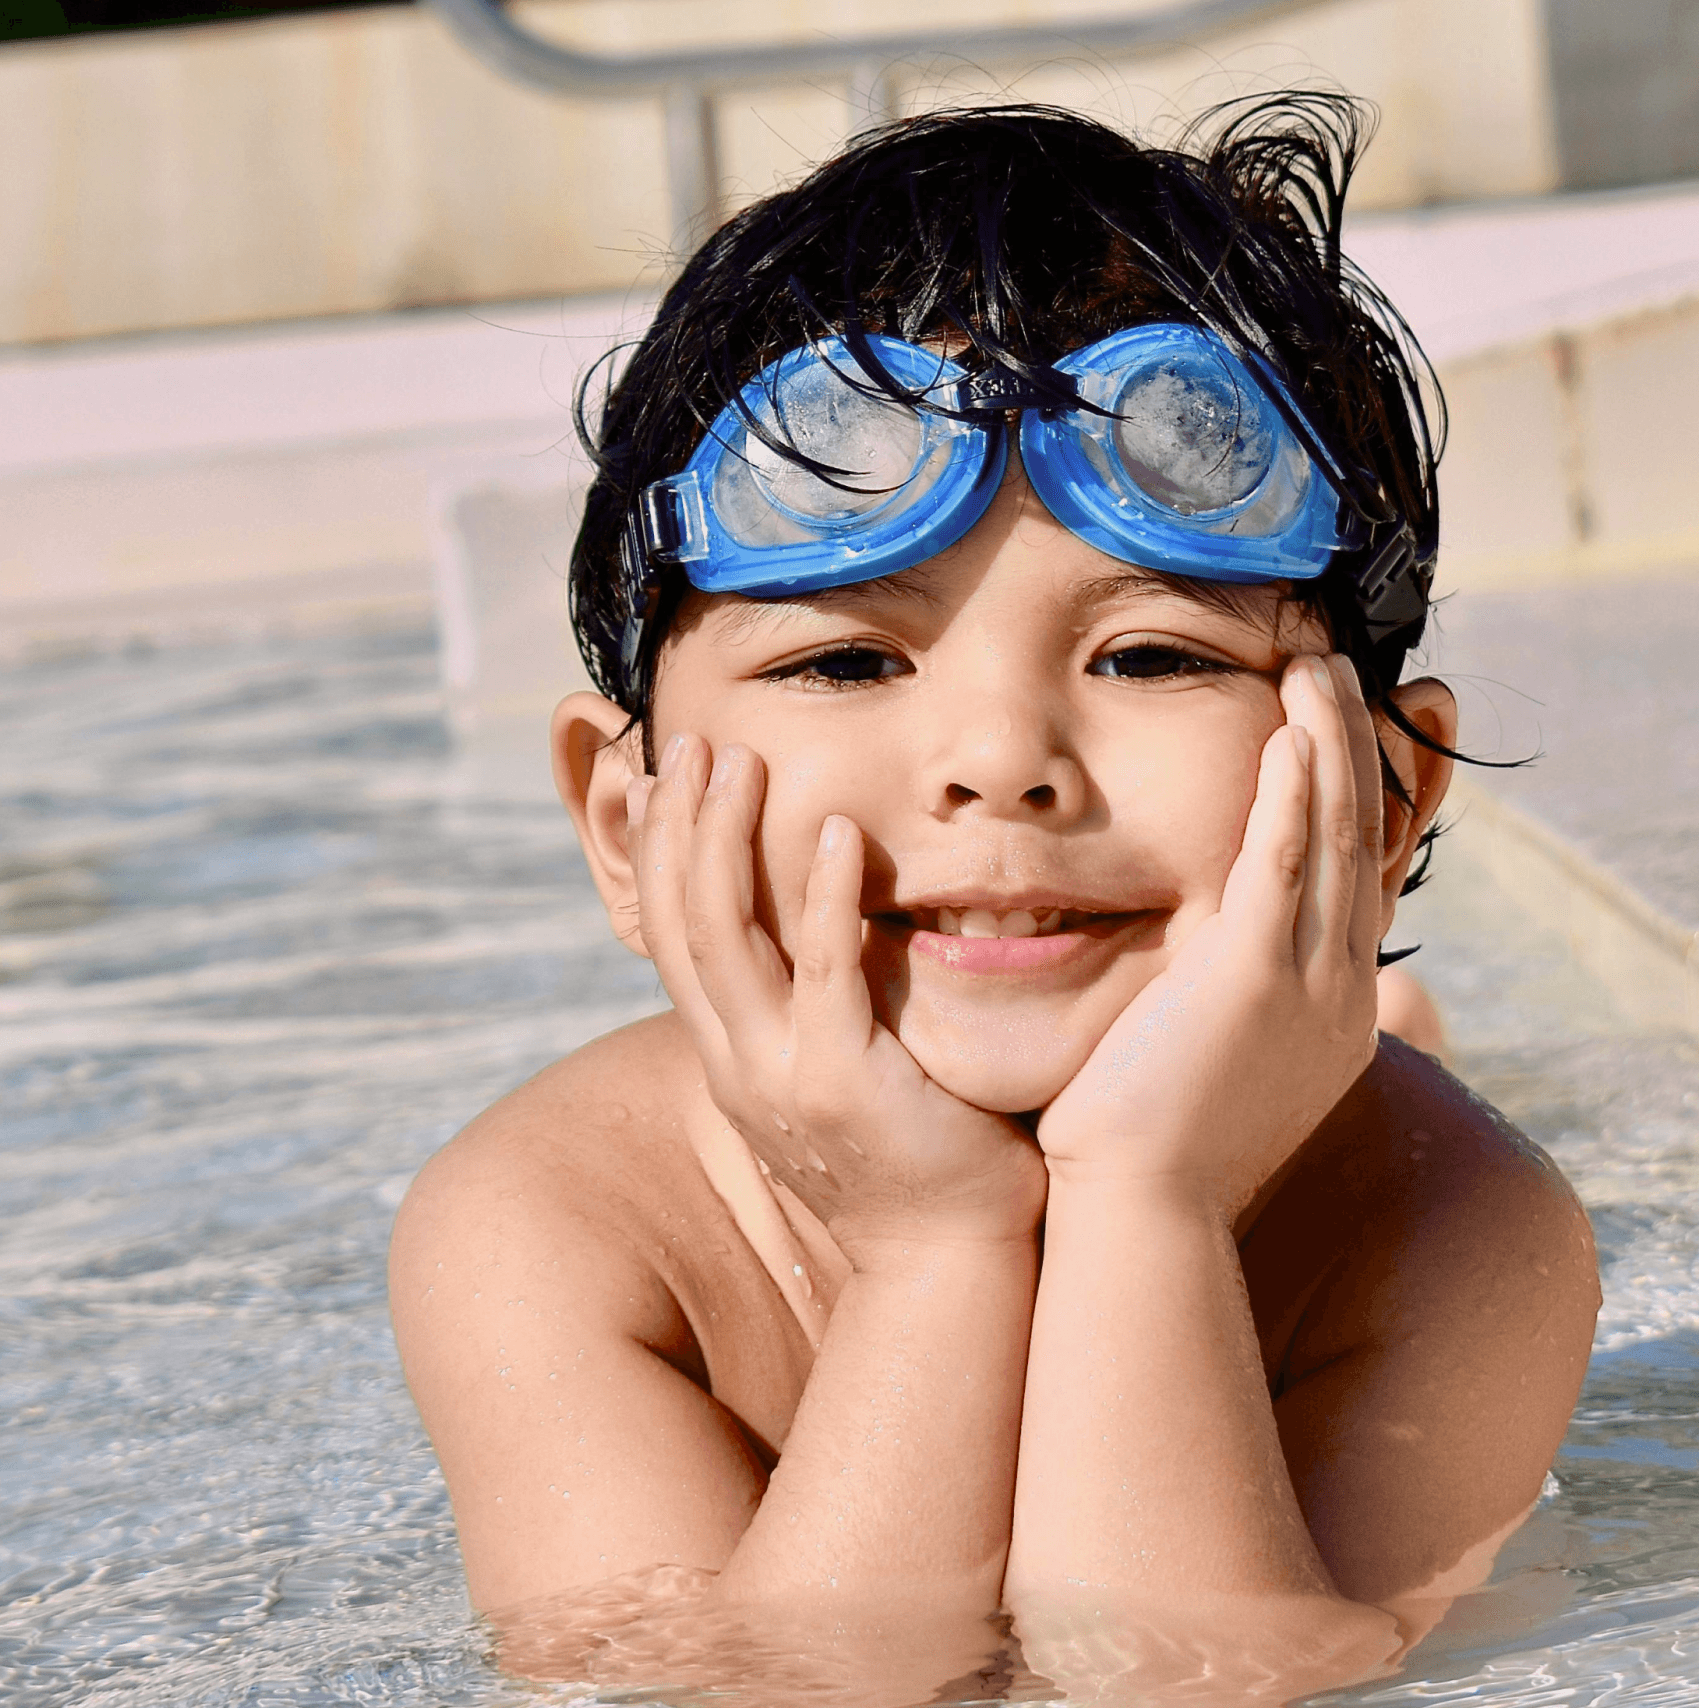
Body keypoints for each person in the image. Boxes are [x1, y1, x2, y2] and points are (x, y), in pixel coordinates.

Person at [388, 95, 1598, 1699]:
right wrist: (934, 1253)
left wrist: (1149, 1203)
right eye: (843, 658)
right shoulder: (558, 1229)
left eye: (1154, 652)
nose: (999, 762)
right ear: (628, 820)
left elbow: (1181, 1685)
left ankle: (1379, 1021)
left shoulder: (1456, 1226)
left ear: (1386, 799)